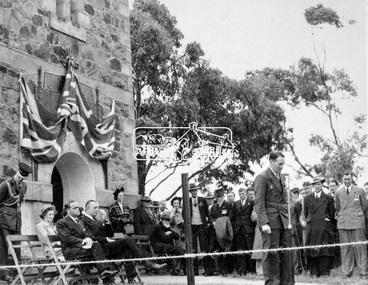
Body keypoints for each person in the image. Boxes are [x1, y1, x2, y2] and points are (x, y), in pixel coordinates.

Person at [82, 200, 166, 283]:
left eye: (98, 207)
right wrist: (106, 239)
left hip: (106, 247)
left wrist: (107, 223)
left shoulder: (97, 221)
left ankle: (131, 279)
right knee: (126, 241)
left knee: (127, 249)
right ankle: (147, 261)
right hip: (97, 250)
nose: (97, 209)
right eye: (95, 208)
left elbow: (110, 234)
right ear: (87, 208)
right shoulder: (83, 221)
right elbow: (89, 237)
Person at [254, 151, 295, 285]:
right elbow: (259, 202)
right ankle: (273, 283)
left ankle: (287, 282)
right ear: (271, 161)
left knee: (286, 254)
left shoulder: (282, 177)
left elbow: (284, 200)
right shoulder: (262, 177)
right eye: (279, 164)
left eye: (283, 164)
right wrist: (264, 223)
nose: (282, 166)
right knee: (271, 255)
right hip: (270, 222)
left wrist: (288, 220)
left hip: (283, 221)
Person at [56, 200, 119, 282]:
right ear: (68, 210)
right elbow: (66, 238)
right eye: (75, 208)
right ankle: (105, 272)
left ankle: (106, 274)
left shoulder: (80, 222)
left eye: (78, 207)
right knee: (96, 246)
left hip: (84, 249)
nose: (78, 209)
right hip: (71, 250)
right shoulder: (62, 222)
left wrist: (88, 238)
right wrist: (83, 241)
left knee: (97, 245)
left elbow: (87, 234)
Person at [0, 162, 32, 282]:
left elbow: (19, 202)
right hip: (4, 220)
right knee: (4, 247)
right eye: (20, 176)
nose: (21, 180)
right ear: (17, 173)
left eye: (24, 178)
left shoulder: (24, 186)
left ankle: (16, 273)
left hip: (17, 221)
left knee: (17, 247)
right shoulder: (5, 185)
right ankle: (4, 274)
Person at [335, 171, 368, 278]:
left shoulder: (359, 190)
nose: (347, 181)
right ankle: (347, 271)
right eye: (345, 179)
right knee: (345, 248)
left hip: (357, 222)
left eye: (349, 179)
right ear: (342, 180)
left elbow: (364, 206)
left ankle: (363, 272)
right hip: (343, 223)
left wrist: (358, 214)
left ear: (352, 179)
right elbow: (338, 207)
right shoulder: (338, 191)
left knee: (360, 247)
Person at [303, 177, 335, 277]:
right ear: (313, 186)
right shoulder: (307, 198)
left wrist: (326, 220)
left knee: (324, 250)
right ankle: (313, 272)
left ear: (322, 185)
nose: (317, 186)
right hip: (312, 228)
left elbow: (332, 214)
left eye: (319, 184)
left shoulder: (328, 198)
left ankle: (325, 272)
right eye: (315, 184)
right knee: (312, 250)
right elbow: (306, 213)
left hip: (324, 228)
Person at [183, 183, 216, 276]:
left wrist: (209, 222)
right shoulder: (187, 201)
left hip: (201, 226)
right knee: (193, 248)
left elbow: (207, 213)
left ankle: (208, 270)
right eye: (192, 191)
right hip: (192, 227)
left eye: (195, 191)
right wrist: (188, 222)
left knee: (204, 247)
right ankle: (194, 271)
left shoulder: (202, 200)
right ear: (190, 192)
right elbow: (183, 214)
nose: (194, 192)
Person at [208, 188, 234, 277]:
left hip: (223, 232)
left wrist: (220, 223)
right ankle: (216, 269)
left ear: (223, 196)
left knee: (223, 249)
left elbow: (230, 217)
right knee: (213, 249)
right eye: (217, 197)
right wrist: (213, 223)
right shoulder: (214, 206)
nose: (219, 198)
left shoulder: (228, 205)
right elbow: (210, 216)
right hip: (214, 230)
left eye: (221, 196)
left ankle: (224, 270)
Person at [233, 187, 256, 277]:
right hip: (239, 229)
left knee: (249, 249)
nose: (241, 195)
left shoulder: (251, 202)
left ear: (246, 193)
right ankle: (241, 270)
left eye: (242, 193)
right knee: (240, 250)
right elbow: (234, 217)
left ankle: (251, 269)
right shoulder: (236, 203)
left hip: (248, 229)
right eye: (240, 194)